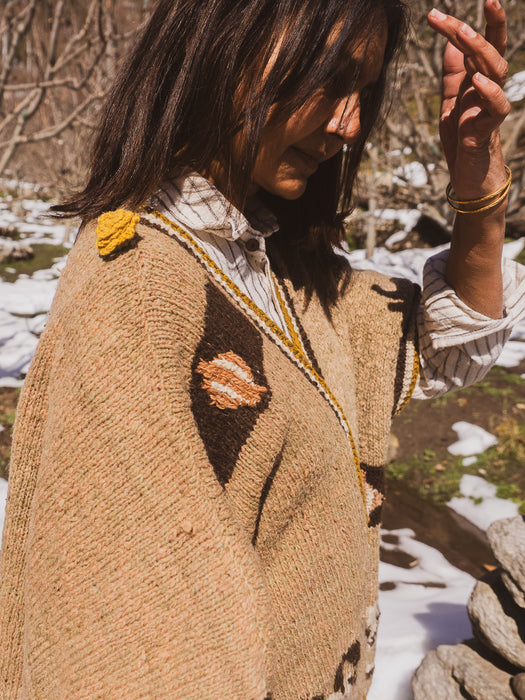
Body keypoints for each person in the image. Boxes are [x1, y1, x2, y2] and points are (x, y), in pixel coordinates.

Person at [0, 0, 524, 697]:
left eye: (363, 91)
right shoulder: (139, 286)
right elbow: (138, 654)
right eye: (329, 77)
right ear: (226, 37)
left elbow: (452, 347)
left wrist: (479, 192)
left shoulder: (275, 271)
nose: (349, 124)